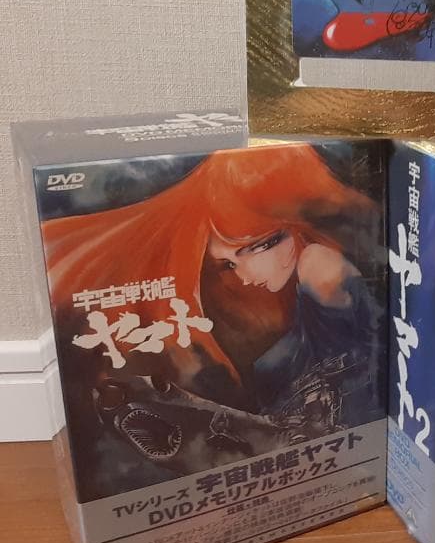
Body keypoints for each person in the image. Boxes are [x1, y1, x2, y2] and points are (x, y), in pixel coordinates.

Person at [44, 143, 382, 491]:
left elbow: (357, 375)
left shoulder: (318, 264)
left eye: (246, 252)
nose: (243, 276)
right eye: (229, 264)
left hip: (331, 444)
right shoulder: (298, 296)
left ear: (281, 230)